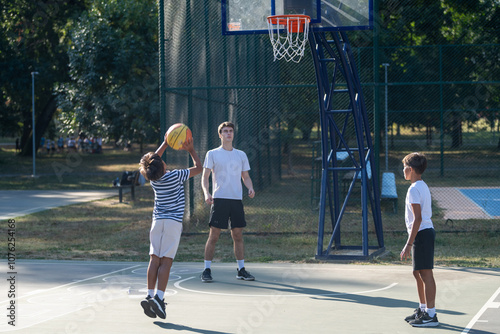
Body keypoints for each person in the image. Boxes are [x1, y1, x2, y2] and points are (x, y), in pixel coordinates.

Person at [138, 132, 202, 319]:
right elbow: (199, 168)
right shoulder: (176, 176)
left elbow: (151, 163)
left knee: (154, 259)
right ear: (163, 165)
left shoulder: (153, 179)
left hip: (157, 223)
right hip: (172, 223)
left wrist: (165, 143)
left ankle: (149, 294)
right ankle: (159, 298)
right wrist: (191, 150)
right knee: (166, 261)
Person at [201, 121, 256, 283]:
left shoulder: (241, 155)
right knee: (214, 236)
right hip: (219, 200)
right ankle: (206, 269)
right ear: (220, 135)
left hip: (236, 200)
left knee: (238, 235)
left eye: (230, 131)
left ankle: (241, 269)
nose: (228, 133)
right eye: (225, 131)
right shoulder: (212, 154)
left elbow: (245, 177)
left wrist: (250, 188)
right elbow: (204, 177)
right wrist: (206, 193)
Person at [400, 152, 439, 327]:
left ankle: (431, 315)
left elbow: (418, 219)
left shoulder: (414, 189)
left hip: (422, 233)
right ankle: (423, 308)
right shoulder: (421, 185)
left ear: (410, 169)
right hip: (422, 233)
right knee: (417, 273)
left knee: (425, 273)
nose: (403, 171)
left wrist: (408, 243)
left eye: (404, 168)